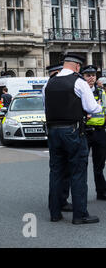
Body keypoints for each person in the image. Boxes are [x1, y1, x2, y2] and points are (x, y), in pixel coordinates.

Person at [43, 53, 102, 225]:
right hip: (73, 131)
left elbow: (45, 105)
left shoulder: (49, 83)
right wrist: (97, 107)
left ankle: (55, 213)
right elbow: (91, 107)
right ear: (77, 66)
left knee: (56, 171)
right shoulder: (79, 82)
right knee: (77, 172)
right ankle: (80, 215)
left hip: (53, 131)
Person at [45, 63, 72, 213]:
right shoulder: (64, 85)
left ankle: (55, 205)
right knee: (67, 168)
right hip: (68, 130)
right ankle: (62, 200)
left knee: (55, 170)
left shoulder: (46, 87)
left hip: (52, 130)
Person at [81, 65, 106, 200]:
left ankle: (101, 192)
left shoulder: (101, 92)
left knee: (99, 165)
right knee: (82, 165)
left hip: (99, 132)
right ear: (83, 77)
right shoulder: (80, 91)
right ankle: (81, 194)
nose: (91, 78)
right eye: (88, 75)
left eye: (93, 75)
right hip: (85, 132)